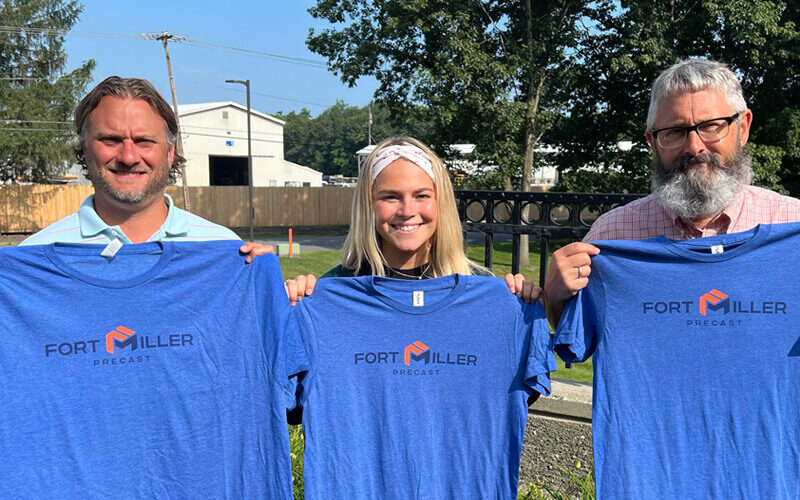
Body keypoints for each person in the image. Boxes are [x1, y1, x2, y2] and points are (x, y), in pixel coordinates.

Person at [544, 58, 800, 326]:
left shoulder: (792, 224)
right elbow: (577, 331)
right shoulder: (612, 237)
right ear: (652, 143)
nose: (694, 146)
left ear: (743, 128)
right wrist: (557, 295)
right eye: (674, 132)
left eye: (712, 125)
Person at [20, 76, 270, 260]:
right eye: (111, 140)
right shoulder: (33, 258)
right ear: (84, 149)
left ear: (171, 153)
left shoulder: (224, 250)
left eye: (144, 141)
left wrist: (291, 294)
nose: (128, 157)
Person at [284, 135, 540, 305]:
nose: (407, 210)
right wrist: (293, 302)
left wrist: (520, 301)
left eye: (421, 195)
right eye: (390, 197)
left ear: (441, 203)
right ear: (367, 205)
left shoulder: (483, 290)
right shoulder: (333, 291)